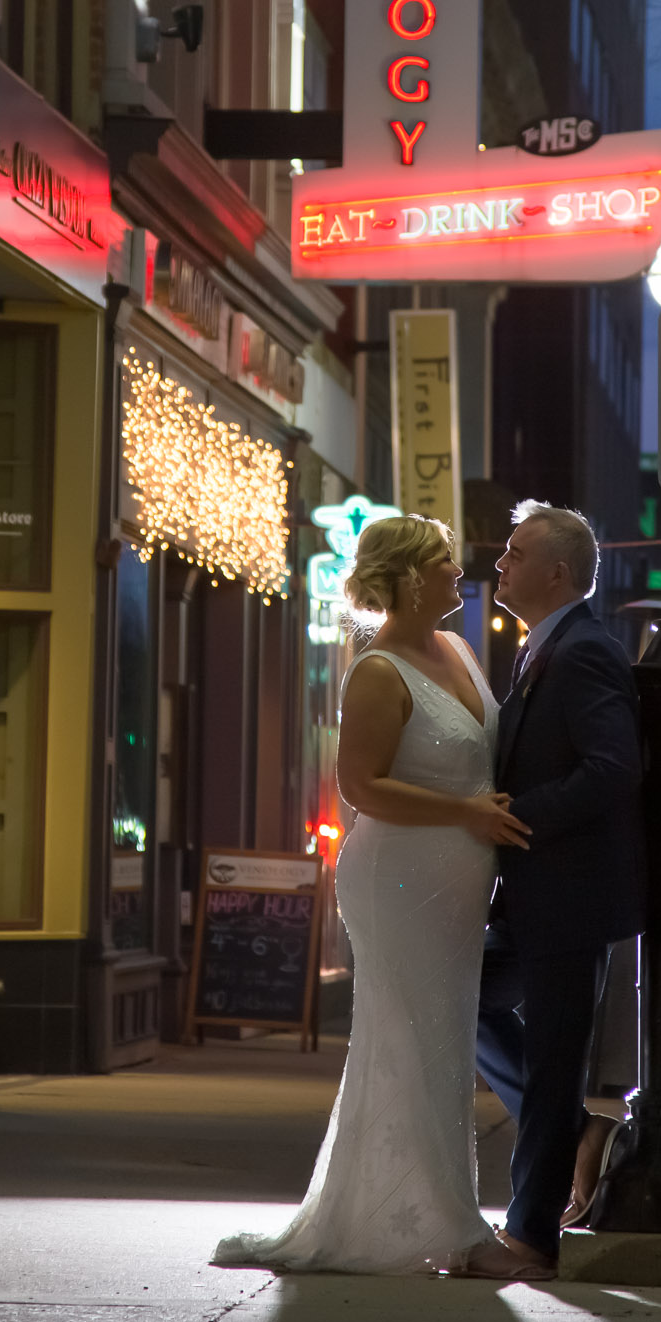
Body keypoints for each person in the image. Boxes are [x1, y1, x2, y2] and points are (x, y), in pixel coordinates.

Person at [212, 515, 529, 1276]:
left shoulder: (454, 649)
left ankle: (421, 1213)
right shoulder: (379, 670)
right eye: (444, 560)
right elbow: (360, 787)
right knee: (424, 1043)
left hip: (456, 880)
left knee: (442, 1044)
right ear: (411, 576)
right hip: (397, 878)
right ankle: (460, 1231)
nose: (461, 570)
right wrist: (465, 811)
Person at [474, 501, 646, 1279]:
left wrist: (517, 818)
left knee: (551, 1060)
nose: (498, 565)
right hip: (529, 897)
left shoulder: (583, 652)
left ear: (558, 573)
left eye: (513, 554)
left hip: (569, 898)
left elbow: (614, 769)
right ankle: (581, 1130)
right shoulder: (540, 649)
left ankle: (531, 1239)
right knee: (458, 998)